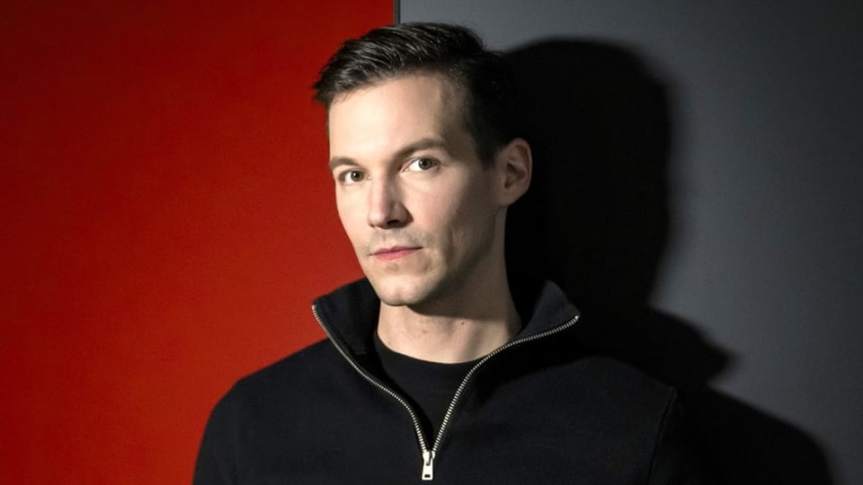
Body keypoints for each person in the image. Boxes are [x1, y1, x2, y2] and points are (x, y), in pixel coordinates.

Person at [193, 22, 700, 484]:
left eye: (420, 163)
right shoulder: (253, 425)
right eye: (353, 174)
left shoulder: (633, 429)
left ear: (510, 173)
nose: (380, 212)